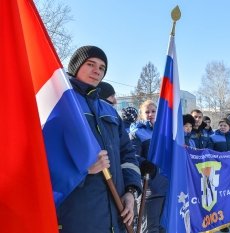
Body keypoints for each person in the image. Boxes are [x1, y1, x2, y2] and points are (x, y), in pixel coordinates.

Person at [57, 45, 142, 233]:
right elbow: (45, 159)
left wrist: (131, 191)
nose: (97, 71)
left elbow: (127, 154)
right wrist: (84, 170)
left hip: (116, 213)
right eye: (90, 64)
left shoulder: (110, 111)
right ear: (76, 66)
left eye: (102, 68)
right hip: (79, 218)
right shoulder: (60, 105)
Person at [129, 100, 167, 233]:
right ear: (141, 114)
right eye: (147, 112)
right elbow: (132, 155)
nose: (150, 114)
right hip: (150, 186)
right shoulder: (137, 132)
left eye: (153, 111)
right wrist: (144, 163)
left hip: (167, 186)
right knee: (150, 227)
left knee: (164, 225)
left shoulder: (165, 131)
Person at [208, 118, 230, 232]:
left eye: (224, 125)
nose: (222, 127)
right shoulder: (213, 138)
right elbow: (209, 152)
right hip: (220, 171)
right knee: (221, 196)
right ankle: (221, 222)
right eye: (220, 125)